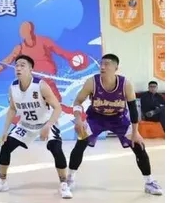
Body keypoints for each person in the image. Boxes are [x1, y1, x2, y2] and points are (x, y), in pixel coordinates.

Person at [69, 53, 163, 195]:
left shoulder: (126, 84)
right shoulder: (91, 82)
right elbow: (77, 101)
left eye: (107, 64)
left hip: (119, 119)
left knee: (139, 146)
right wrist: (78, 119)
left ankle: (149, 182)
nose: (102, 66)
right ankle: (70, 179)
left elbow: (133, 109)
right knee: (80, 143)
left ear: (116, 68)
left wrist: (135, 132)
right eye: (101, 64)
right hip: (96, 118)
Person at [0, 55, 72, 199]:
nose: (18, 68)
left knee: (55, 148)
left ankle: (64, 184)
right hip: (26, 125)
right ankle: (2, 182)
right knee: (6, 146)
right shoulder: (13, 87)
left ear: (31, 69)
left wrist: (49, 125)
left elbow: (57, 107)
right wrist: (5, 131)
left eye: (22, 65)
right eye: (17, 65)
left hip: (45, 123)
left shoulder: (41, 85)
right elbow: (12, 109)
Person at [0, 21, 89, 115]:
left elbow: (60, 51)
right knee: (29, 98)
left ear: (31, 30)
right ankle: (26, 118)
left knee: (55, 102)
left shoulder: (44, 41)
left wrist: (71, 57)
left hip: (47, 75)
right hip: (32, 78)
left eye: (26, 29)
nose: (23, 32)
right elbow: (9, 59)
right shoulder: (20, 47)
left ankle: (75, 113)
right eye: (22, 30)